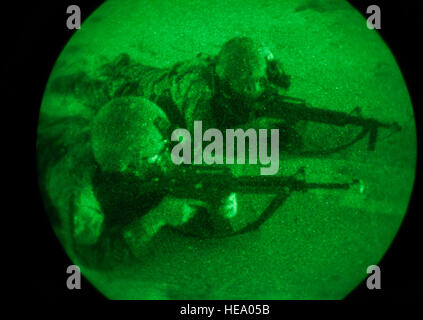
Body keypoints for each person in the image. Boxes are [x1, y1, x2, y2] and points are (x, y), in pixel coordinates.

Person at [39, 36, 292, 268]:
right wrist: (156, 218)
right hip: (113, 100)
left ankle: (109, 71)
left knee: (124, 82)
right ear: (124, 166)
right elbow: (95, 257)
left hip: (138, 96)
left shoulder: (130, 140)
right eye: (153, 157)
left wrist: (218, 195)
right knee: (97, 88)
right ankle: (80, 83)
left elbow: (184, 158)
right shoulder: (80, 188)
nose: (168, 159)